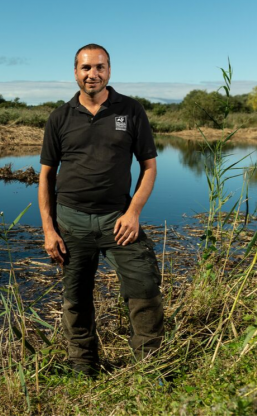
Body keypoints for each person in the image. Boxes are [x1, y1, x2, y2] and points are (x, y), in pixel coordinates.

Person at [38, 43, 164, 376]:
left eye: (100, 67)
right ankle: (83, 366)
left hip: (118, 220)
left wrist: (133, 212)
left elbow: (149, 168)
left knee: (144, 288)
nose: (93, 74)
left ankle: (149, 368)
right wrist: (49, 229)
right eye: (86, 68)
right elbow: (46, 177)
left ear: (109, 70)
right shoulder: (60, 117)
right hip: (71, 222)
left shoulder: (131, 111)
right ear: (75, 72)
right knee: (76, 298)